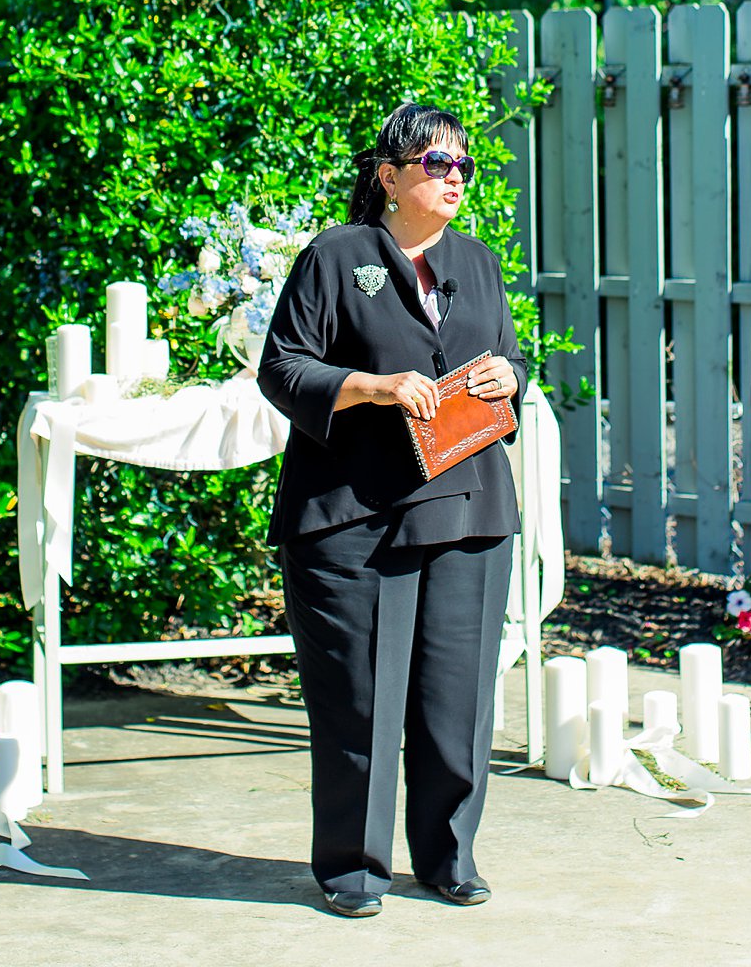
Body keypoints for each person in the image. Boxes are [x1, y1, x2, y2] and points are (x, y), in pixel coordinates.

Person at [256, 100, 527, 918]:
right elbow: (281, 368)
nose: (454, 178)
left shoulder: (477, 262)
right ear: (388, 176)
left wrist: (512, 376)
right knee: (360, 705)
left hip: (469, 510)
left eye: (463, 166)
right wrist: (369, 387)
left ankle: (448, 857)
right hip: (353, 520)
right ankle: (353, 869)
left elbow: (508, 357)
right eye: (437, 164)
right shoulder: (335, 259)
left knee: (458, 699)